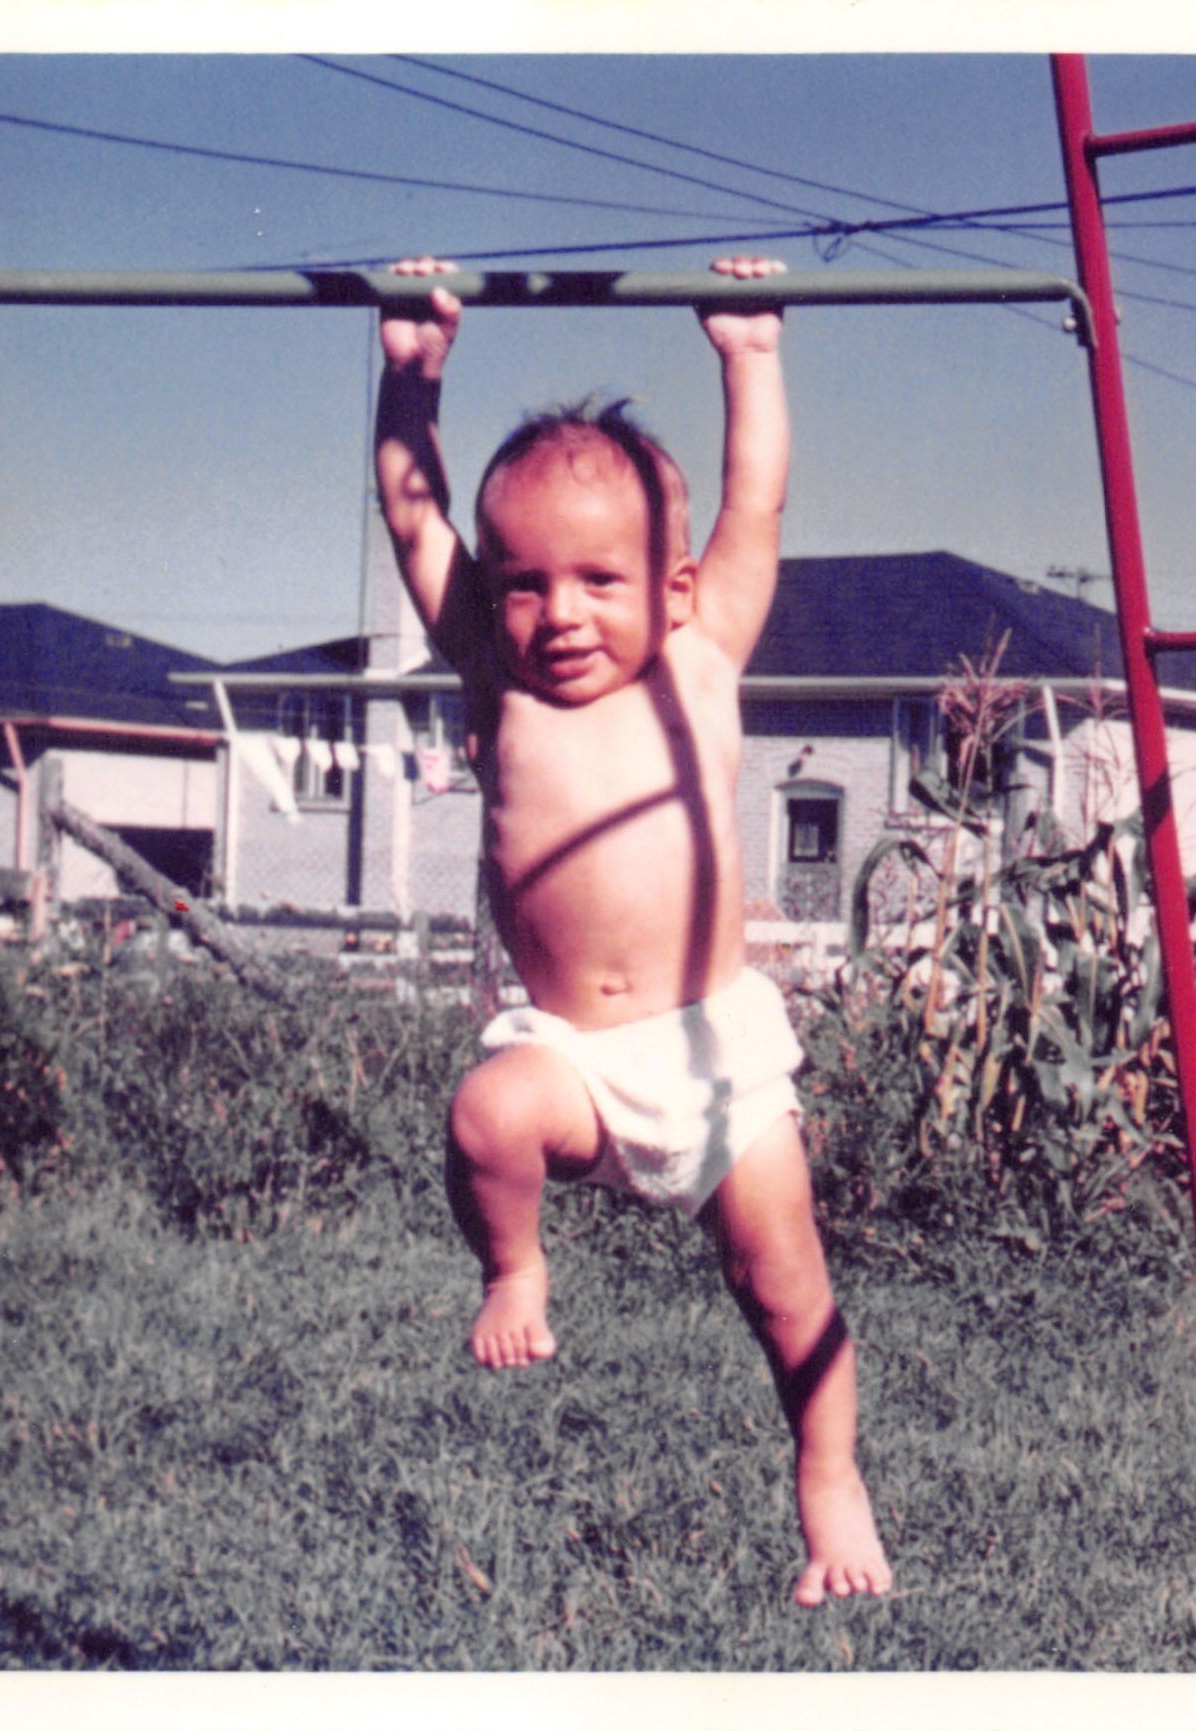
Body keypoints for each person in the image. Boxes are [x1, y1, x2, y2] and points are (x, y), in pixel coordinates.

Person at [373, 254, 892, 1607]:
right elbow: (413, 517)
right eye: (527, 584)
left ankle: (828, 1473)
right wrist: (410, 375)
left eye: (599, 580)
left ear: (669, 584)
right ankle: (514, 1265)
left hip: (713, 1054)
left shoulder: (703, 651)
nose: (560, 615)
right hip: (575, 1060)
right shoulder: (495, 675)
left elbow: (756, 503)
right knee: (488, 1112)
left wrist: (747, 357)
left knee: (783, 1283)